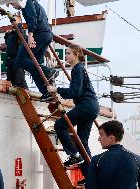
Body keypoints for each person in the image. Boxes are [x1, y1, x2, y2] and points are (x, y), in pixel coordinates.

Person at [47, 45, 99, 185]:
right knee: (82, 142)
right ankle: (90, 178)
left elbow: (75, 92)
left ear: (76, 54)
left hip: (86, 106)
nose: (66, 56)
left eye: (69, 53)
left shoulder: (78, 69)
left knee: (60, 125)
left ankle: (74, 155)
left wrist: (56, 89)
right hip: (91, 107)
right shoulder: (80, 69)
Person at [10, 0, 59, 101]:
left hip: (38, 33)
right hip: (47, 34)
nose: (13, 6)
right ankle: (46, 92)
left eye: (11, 3)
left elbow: (33, 17)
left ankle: (49, 71)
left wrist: (30, 35)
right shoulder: (33, 2)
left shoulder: (27, 2)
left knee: (20, 60)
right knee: (33, 66)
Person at [86, 120, 140, 189]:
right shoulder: (136, 159)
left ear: (111, 138)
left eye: (101, 135)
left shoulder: (97, 160)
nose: (99, 139)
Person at [3, 14, 28, 89]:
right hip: (10, 60)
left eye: (14, 20)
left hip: (17, 60)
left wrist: (19, 26)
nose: (12, 22)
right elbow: (8, 44)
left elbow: (23, 38)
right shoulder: (10, 34)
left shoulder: (21, 32)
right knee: (10, 81)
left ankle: (27, 94)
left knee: (20, 81)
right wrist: (7, 35)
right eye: (11, 21)